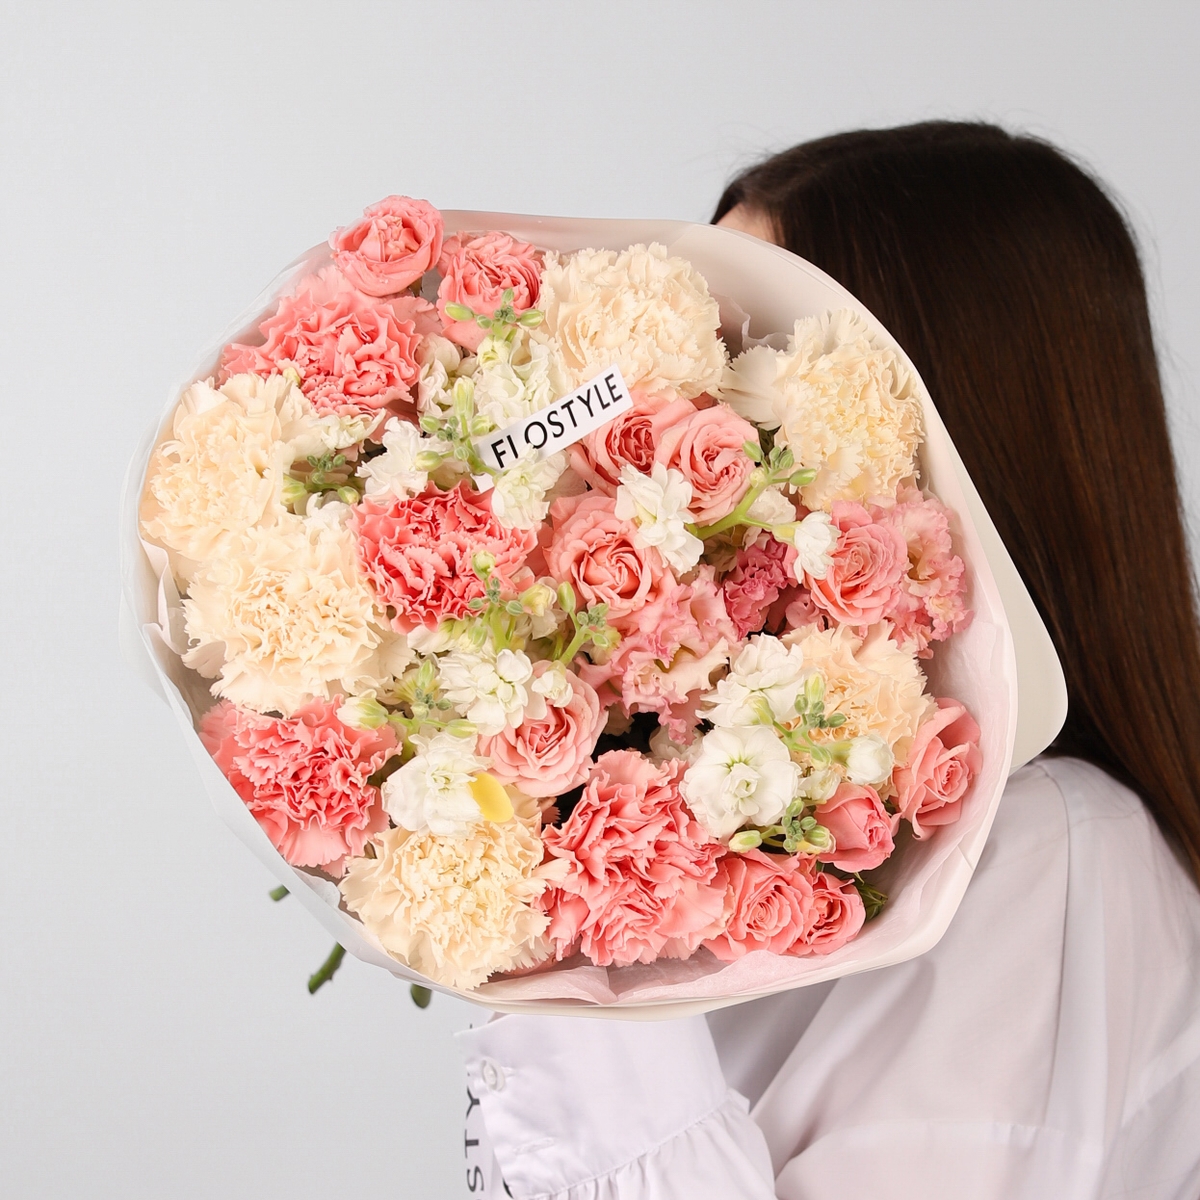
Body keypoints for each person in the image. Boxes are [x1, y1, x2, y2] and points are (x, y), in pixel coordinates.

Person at [456, 122, 1200, 1199]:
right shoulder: (801, 842)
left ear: (943, 419)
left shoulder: (1046, 857)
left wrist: (581, 945)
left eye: (751, 358)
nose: (680, 427)